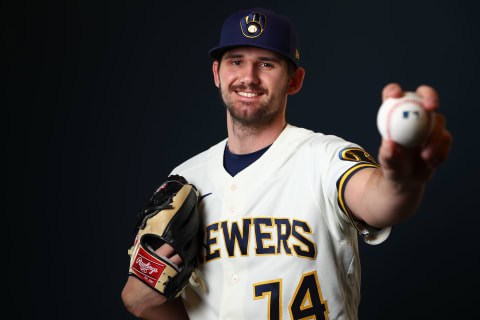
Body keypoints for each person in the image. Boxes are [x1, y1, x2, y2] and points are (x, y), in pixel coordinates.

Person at [121, 8, 451, 320]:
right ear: (217, 74)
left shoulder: (325, 158)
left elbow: (378, 200)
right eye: (236, 61)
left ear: (294, 80)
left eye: (266, 64)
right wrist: (139, 300)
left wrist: (402, 182)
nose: (248, 77)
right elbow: (147, 298)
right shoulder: (186, 178)